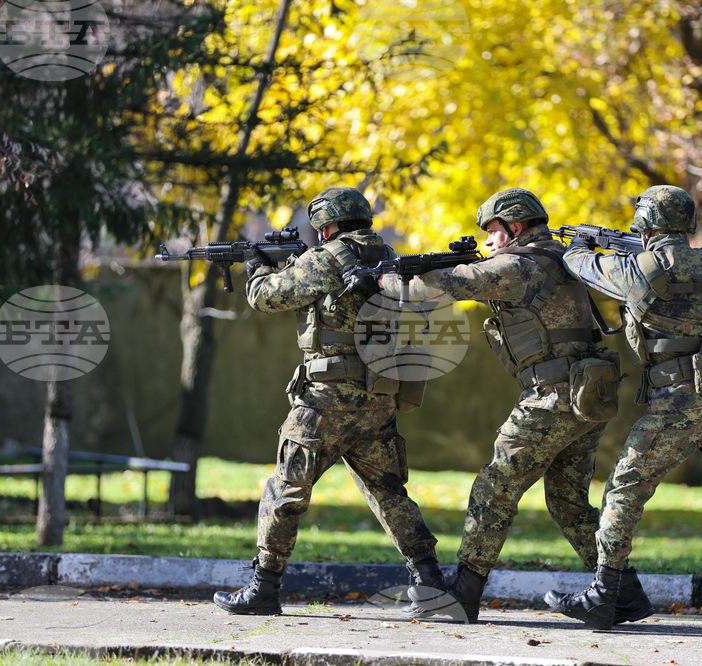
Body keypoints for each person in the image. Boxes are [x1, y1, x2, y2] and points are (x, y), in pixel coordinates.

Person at [378, 188, 653, 625]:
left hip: (551, 399)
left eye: (492, 232)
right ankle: (624, 593)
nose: (487, 243)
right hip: (587, 397)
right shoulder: (561, 259)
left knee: (494, 489)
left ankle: (462, 596)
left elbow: (442, 287)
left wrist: (386, 281)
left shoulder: (517, 266)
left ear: (516, 228)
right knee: (567, 503)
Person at [545, 185, 702, 633]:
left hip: (679, 398)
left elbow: (578, 265)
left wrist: (582, 244)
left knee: (624, 487)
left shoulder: (638, 269)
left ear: (645, 222)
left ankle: (605, 593)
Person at [213, 186, 443, 615]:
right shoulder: (388, 255)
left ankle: (264, 588)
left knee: (285, 489)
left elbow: (268, 296)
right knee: (389, 493)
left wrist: (254, 268)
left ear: (327, 226)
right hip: (378, 398)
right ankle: (432, 584)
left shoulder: (326, 257)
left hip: (326, 401)